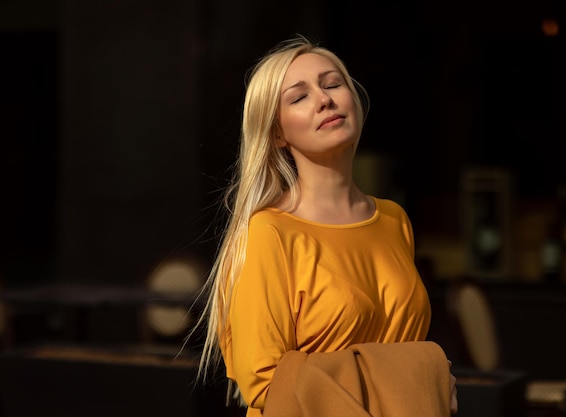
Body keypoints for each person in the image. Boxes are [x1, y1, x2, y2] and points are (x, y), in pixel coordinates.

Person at [193, 34, 458, 416]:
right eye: (299, 97)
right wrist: (423, 377)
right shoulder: (269, 233)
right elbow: (265, 381)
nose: (324, 99)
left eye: (333, 84)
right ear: (278, 133)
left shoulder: (393, 220)